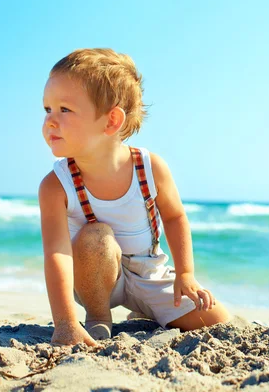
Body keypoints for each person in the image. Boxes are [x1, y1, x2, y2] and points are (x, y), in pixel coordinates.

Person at [38, 48, 230, 346]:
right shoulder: (55, 185)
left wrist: (185, 274)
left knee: (216, 321)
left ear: (111, 121)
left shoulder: (150, 168)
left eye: (64, 110)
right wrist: (65, 323)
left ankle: (145, 309)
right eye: (47, 109)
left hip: (148, 272)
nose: (50, 121)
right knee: (96, 236)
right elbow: (57, 254)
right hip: (96, 276)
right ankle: (99, 317)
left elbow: (175, 216)